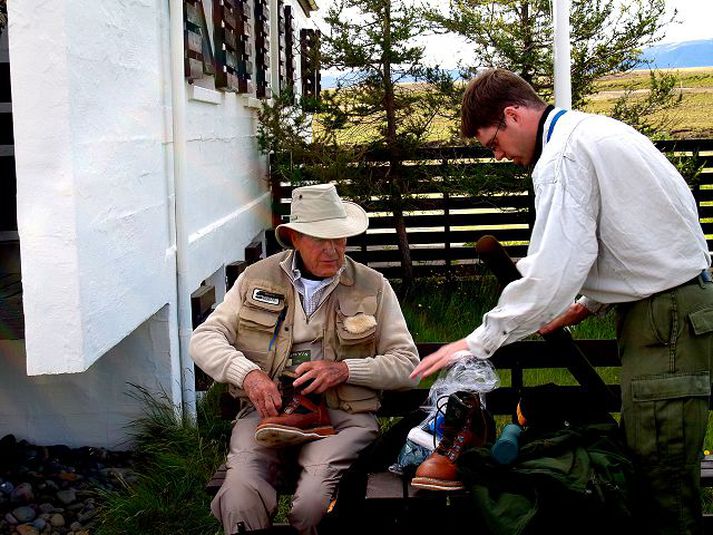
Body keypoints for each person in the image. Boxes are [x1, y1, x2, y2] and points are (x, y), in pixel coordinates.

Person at [411, 68, 713, 534]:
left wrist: (479, 340)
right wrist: (590, 302)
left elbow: (553, 269)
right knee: (660, 469)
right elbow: (638, 236)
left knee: (662, 480)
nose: (500, 156)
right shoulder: (595, 132)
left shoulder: (562, 155)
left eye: (493, 143)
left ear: (512, 115)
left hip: (664, 319)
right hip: (673, 310)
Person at [190, 183, 419, 535]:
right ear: (295, 237)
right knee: (238, 494)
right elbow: (204, 338)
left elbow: (408, 365)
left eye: (339, 238)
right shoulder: (256, 278)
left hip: (346, 419)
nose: (333, 250)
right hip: (268, 414)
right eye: (320, 239)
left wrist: (344, 370)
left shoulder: (373, 286)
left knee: (314, 502)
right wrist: (249, 375)